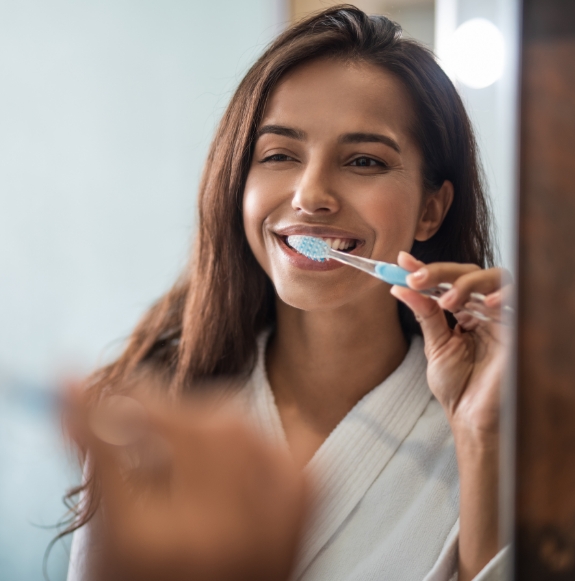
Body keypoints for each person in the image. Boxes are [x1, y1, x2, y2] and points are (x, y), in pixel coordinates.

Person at [65, 6, 511, 581]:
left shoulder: (494, 434)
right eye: (278, 155)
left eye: (364, 161)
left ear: (432, 209)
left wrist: (483, 440)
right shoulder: (152, 417)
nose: (311, 195)